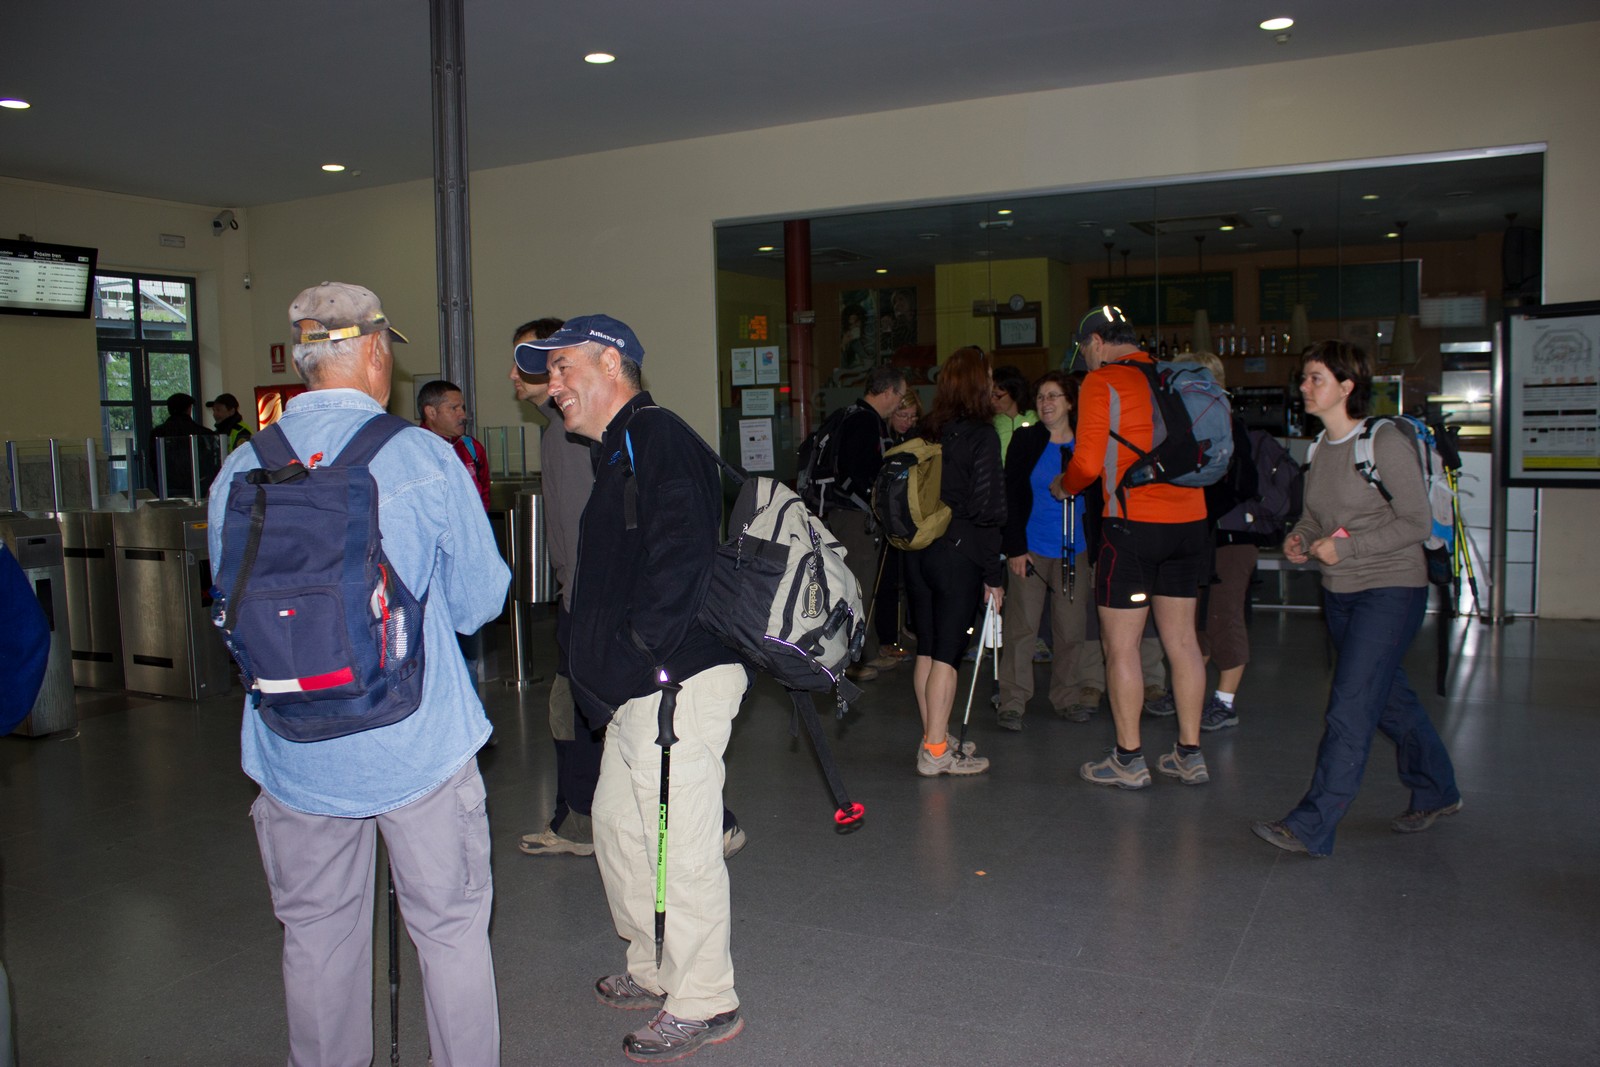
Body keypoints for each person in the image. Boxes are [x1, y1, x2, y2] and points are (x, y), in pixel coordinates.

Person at [208, 282, 509, 1066]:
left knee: (316, 935)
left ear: (305, 359)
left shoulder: (240, 466)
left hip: (293, 747)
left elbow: (233, 605)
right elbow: (479, 600)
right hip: (416, 745)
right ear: (374, 350)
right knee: (449, 931)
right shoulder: (420, 455)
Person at [520, 314, 748, 1062]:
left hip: (675, 683)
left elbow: (681, 563)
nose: (552, 386)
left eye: (564, 368)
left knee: (679, 847)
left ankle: (705, 998)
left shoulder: (658, 437)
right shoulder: (618, 449)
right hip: (635, 691)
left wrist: (633, 655)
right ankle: (654, 967)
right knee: (620, 828)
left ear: (613, 364)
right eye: (547, 372)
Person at [1252, 340, 1461, 857]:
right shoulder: (1320, 447)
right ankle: (1438, 789)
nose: (1304, 387)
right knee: (1387, 699)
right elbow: (1315, 517)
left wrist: (1347, 548)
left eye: (1316, 378)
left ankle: (1312, 824)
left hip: (1391, 589)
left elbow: (1415, 522)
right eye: (1304, 377)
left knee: (1349, 705)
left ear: (1347, 387)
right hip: (1340, 592)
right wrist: (1300, 536)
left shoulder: (1382, 442)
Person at [1059, 306, 1210, 790]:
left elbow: (1086, 464)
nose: (1085, 361)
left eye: (1084, 351)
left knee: (1120, 646)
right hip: (1191, 522)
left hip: (1133, 526)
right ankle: (1190, 754)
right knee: (1182, 642)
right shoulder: (1172, 376)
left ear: (1097, 342)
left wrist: (1064, 486)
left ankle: (1129, 758)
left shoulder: (1101, 381)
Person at [509, 317, 607, 858]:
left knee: (584, 712)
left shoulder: (569, 434)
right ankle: (576, 821)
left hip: (589, 602)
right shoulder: (563, 429)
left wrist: (577, 598)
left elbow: (581, 527)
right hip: (584, 599)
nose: (515, 374)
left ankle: (716, 821)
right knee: (572, 710)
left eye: (531, 361)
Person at [906, 345, 1006, 777]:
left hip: (917, 552)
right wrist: (993, 575)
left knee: (927, 650)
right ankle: (935, 752)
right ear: (979, 384)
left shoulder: (927, 430)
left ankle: (936, 735)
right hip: (957, 554)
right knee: (947, 654)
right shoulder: (982, 436)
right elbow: (988, 511)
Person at [995, 372, 1094, 729]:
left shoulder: (1087, 442)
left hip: (1074, 550)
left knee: (1071, 629)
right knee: (1022, 628)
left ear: (1070, 402)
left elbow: (1099, 500)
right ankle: (1012, 700)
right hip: (1031, 549)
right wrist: (1014, 548)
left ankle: (1067, 696)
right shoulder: (1026, 440)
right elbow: (1010, 495)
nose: (1045, 403)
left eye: (1053, 396)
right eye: (1040, 397)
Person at [818, 365, 907, 680]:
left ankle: (864, 652)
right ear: (888, 392)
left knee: (862, 587)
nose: (901, 403)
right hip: (855, 518)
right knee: (858, 588)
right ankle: (851, 661)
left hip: (852, 516)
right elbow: (856, 473)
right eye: (900, 395)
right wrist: (877, 499)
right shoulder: (864, 422)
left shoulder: (861, 417)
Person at [1188, 352, 1259, 733]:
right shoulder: (1192, 424)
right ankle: (1191, 692)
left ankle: (1225, 701)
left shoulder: (1229, 425)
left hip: (1230, 537)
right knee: (1194, 620)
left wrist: (1198, 506)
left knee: (1223, 618)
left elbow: (1242, 484)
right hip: (1201, 537)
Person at [871, 387, 922, 661]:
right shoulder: (883, 440)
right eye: (903, 415)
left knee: (910, 575)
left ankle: (906, 626)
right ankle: (887, 637)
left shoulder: (912, 438)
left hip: (907, 516)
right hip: (888, 518)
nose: (908, 421)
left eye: (913, 416)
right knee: (887, 578)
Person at [418, 378, 491, 511]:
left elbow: (484, 495)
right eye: (454, 408)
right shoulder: (414, 450)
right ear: (431, 412)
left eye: (462, 408)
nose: (463, 415)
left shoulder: (472, 448)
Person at [147, 392, 215, 497]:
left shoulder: (158, 433)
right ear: (189, 409)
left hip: (168, 486)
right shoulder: (204, 433)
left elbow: (153, 461)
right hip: (198, 487)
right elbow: (210, 462)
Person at [990, 364, 1037, 463]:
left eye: (997, 396)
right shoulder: (992, 422)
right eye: (990, 395)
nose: (992, 401)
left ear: (1014, 392)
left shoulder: (1035, 418)